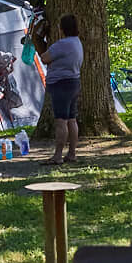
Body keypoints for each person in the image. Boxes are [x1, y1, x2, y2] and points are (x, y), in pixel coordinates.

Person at [41, 14, 83, 165]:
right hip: (73, 82)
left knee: (61, 121)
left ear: (62, 28)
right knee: (71, 119)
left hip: (61, 84)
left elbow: (45, 58)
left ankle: (57, 156)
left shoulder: (62, 44)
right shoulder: (77, 42)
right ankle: (72, 153)